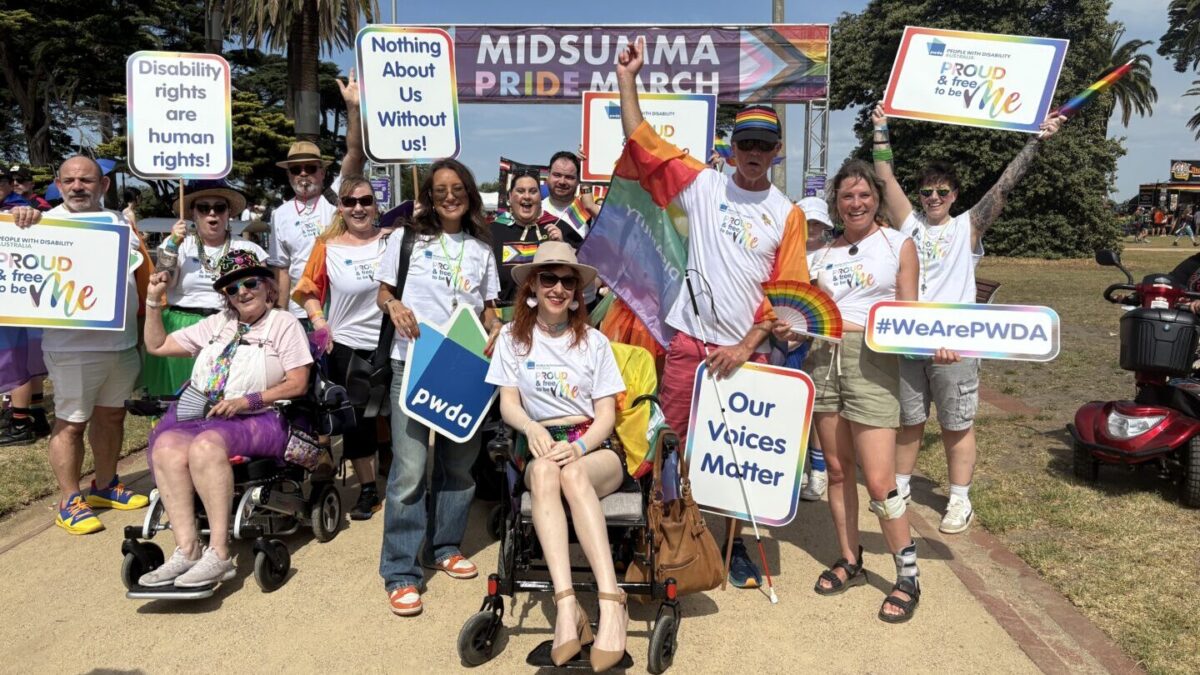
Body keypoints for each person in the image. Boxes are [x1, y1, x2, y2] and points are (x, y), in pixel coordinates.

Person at [616, 37, 809, 588]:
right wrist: (628, 79)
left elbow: (788, 295)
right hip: (689, 348)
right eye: (746, 142)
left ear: (777, 152)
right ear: (731, 145)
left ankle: (731, 545)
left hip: (747, 358)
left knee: (735, 460)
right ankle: (664, 539)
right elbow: (643, 141)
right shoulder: (702, 185)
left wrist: (747, 345)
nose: (753, 152)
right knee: (669, 447)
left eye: (764, 145)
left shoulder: (787, 213)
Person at [871, 104, 1064, 534]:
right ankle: (900, 486)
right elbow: (884, 179)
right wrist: (881, 129)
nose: (934, 198)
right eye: (927, 192)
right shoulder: (909, 224)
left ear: (955, 195)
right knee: (909, 420)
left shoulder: (968, 227)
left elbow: (1004, 186)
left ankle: (960, 499)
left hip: (957, 343)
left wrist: (1036, 141)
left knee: (956, 424)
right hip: (911, 339)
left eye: (942, 192)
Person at [485, 242, 628, 669]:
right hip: (541, 440)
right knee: (547, 473)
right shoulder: (513, 339)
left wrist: (580, 446)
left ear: (577, 291)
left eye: (568, 280)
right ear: (533, 285)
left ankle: (610, 599)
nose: (559, 288)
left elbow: (606, 416)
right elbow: (508, 404)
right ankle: (567, 606)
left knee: (571, 474)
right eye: (549, 278)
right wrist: (530, 428)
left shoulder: (595, 343)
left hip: (593, 445)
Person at [137, 250, 313, 587]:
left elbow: (298, 382)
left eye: (250, 283)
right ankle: (187, 549)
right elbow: (157, 345)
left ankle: (218, 553)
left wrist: (247, 400)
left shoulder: (283, 323)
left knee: (205, 446)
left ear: (268, 288)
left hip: (260, 418)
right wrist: (154, 301)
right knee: (166, 447)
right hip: (205, 413)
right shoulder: (219, 324)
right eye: (232, 289)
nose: (242, 292)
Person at [375, 158, 502, 617]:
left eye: (459, 190)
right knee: (409, 471)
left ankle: (444, 545)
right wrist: (394, 308)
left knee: (459, 467)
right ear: (429, 195)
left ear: (469, 195)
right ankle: (401, 572)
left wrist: (496, 327)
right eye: (441, 190)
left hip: (465, 368)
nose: (450, 197)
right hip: (413, 364)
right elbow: (384, 291)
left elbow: (488, 308)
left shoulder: (482, 249)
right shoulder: (406, 239)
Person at [802, 159, 925, 622]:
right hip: (823, 361)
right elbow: (811, 314)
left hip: (872, 362)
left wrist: (942, 343)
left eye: (864, 196)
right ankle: (850, 558)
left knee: (879, 479)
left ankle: (907, 575)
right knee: (836, 469)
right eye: (846, 196)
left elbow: (910, 316)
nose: (855, 203)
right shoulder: (821, 255)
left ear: (876, 200)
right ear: (836, 202)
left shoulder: (898, 245)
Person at [7, 156, 155, 534]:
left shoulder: (119, 223)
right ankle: (69, 500)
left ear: (102, 185)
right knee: (71, 423)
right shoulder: (42, 222)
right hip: (71, 347)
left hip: (120, 345)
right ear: (58, 183)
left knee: (112, 417)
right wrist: (20, 215)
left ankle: (105, 485)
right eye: (70, 180)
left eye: (86, 180)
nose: (77, 187)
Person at [293, 176, 390, 520]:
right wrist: (319, 322)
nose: (358, 208)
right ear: (341, 208)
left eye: (365, 201)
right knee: (359, 420)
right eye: (350, 202)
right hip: (348, 345)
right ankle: (367, 489)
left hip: (393, 342)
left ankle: (404, 478)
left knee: (395, 417)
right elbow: (306, 289)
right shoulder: (328, 245)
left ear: (376, 204)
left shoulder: (393, 241)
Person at [144, 181, 265, 396]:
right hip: (182, 326)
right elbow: (163, 278)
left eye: (219, 208)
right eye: (203, 208)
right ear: (192, 213)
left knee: (222, 395)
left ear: (228, 214)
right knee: (177, 399)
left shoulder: (248, 249)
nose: (212, 213)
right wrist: (173, 243)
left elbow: (265, 294)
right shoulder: (178, 245)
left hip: (229, 325)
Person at [269, 71, 366, 322]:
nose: (303, 174)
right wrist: (280, 314)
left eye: (310, 168)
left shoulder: (336, 197)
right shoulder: (279, 215)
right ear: (289, 175)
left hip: (339, 308)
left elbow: (355, 154)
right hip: (299, 312)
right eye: (296, 169)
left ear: (322, 173)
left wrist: (353, 109)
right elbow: (282, 268)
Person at [491, 170, 579, 311]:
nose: (527, 196)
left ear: (540, 197)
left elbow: (581, 272)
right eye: (520, 191)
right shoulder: (493, 231)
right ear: (509, 197)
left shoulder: (558, 227)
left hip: (548, 317)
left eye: (533, 191)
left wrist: (564, 247)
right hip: (504, 319)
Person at [797, 196, 833, 502]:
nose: (812, 228)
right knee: (794, 406)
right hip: (788, 338)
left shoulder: (831, 254)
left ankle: (819, 471)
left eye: (817, 223)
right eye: (807, 222)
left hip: (818, 340)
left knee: (818, 407)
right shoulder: (787, 250)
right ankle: (797, 469)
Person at [541, 151, 600, 240]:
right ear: (548, 174)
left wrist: (586, 172)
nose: (562, 182)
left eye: (569, 177)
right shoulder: (536, 211)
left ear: (578, 180)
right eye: (557, 175)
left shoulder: (589, 212)